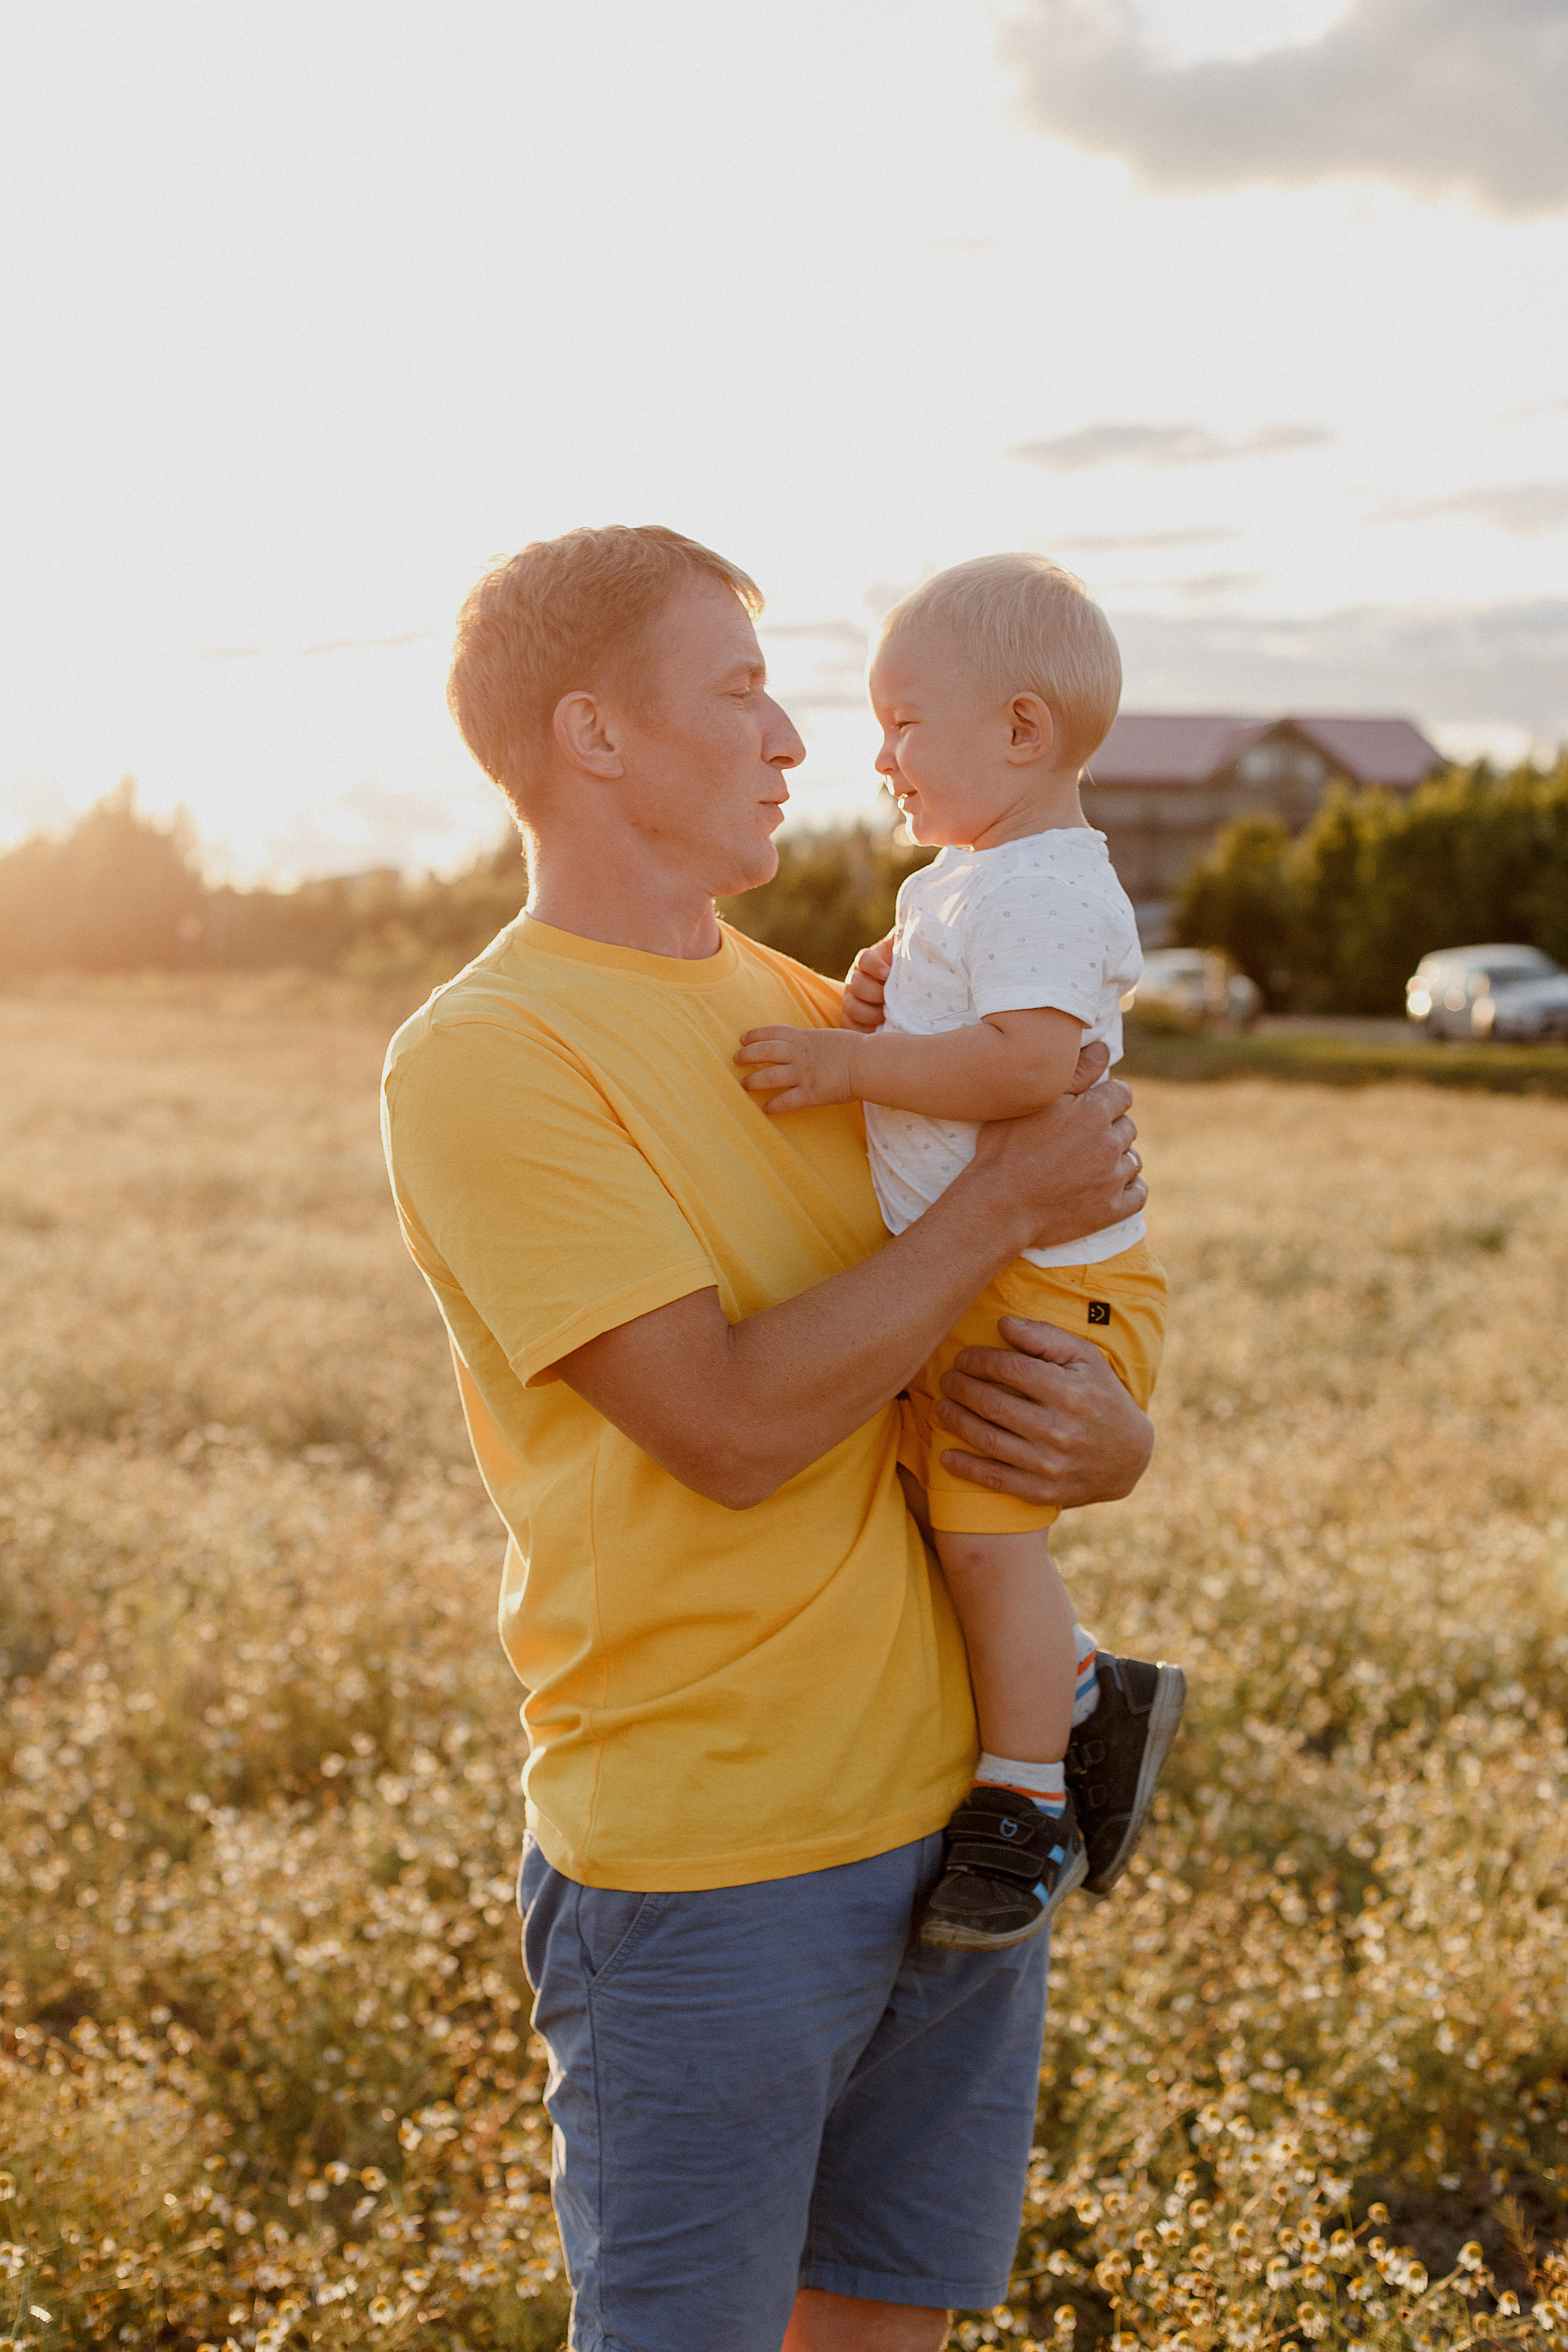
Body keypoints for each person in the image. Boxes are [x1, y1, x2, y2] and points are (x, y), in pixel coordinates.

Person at [381, 524, 1155, 2352]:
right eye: (739, 691)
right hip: (708, 1876)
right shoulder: (489, 1052)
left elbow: (1014, 1303)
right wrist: (1000, 1207)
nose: (796, 737)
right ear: (596, 735)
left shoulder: (828, 1013)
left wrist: (1108, 1440)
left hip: (958, 1832)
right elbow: (728, 1430)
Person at [736, 554, 1186, 1956]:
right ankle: (1082, 1694)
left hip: (1048, 1281)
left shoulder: (1046, 890)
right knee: (953, 1530)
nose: (876, 758)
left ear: (1020, 732)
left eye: (903, 725)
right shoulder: (968, 880)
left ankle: (1023, 1801)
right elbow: (963, 1010)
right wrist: (885, 988)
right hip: (994, 1268)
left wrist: (851, 1061)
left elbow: (1025, 1064)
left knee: (982, 1546)